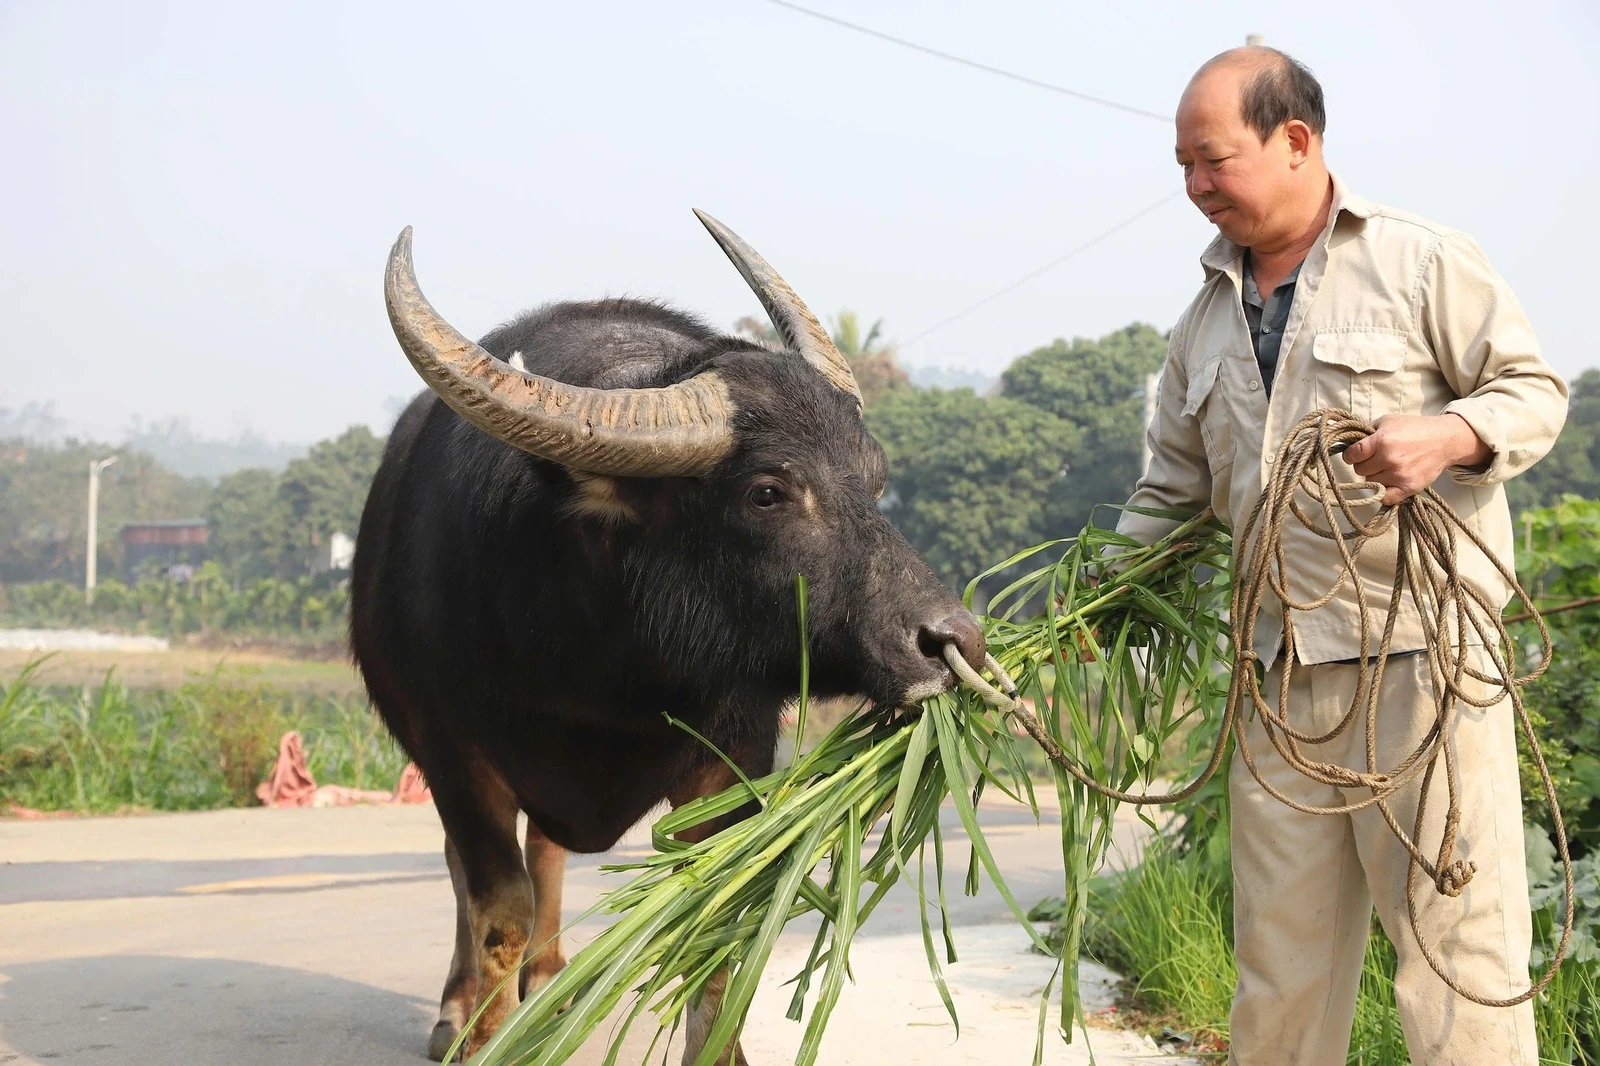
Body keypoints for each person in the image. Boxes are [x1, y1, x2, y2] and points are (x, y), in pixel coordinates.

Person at [1118, 47, 1568, 1065]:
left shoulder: (1418, 261)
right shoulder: (1199, 324)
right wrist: (1090, 605)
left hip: (1426, 672)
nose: (1195, 187)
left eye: (1213, 160)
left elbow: (1532, 392)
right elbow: (1171, 497)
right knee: (1277, 978)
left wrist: (1446, 435)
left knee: (1458, 962)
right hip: (1278, 687)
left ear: (1295, 143)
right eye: (1181, 166)